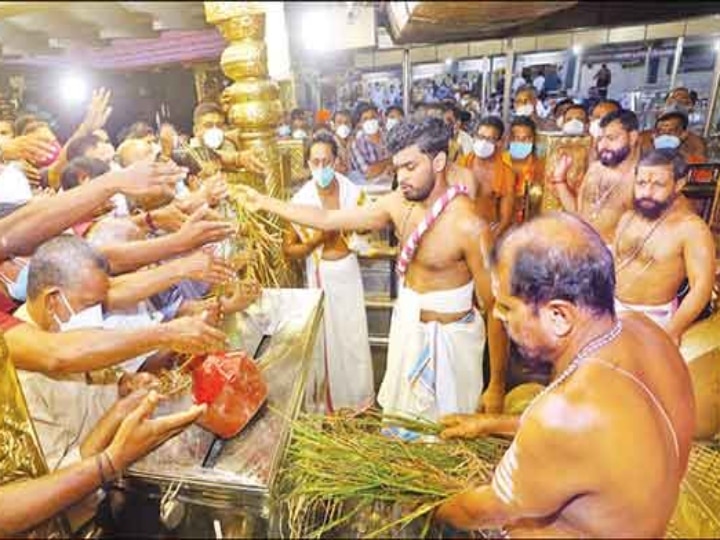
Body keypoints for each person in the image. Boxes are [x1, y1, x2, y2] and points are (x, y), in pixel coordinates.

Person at [435, 212, 694, 538]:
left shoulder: (564, 413)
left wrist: (430, 507)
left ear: (558, 316)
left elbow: (483, 509)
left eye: (508, 307)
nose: (498, 316)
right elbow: (602, 442)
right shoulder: (651, 336)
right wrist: (492, 424)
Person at [238, 118, 508, 418]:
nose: (401, 177)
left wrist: (496, 385)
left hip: (450, 349)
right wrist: (265, 202)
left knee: (448, 437)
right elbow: (328, 220)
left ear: (439, 161)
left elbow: (496, 307)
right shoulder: (397, 203)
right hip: (408, 333)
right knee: (406, 434)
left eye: (410, 167)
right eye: (397, 169)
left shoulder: (467, 225)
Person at [283, 132, 374, 412]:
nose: (321, 168)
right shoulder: (302, 199)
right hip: (321, 275)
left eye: (327, 161)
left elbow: (370, 223)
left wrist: (359, 227)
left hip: (348, 272)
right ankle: (331, 407)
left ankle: (358, 402)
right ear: (308, 164)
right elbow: (289, 250)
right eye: (315, 162)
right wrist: (315, 242)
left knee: (354, 338)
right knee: (328, 343)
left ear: (337, 161)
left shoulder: (351, 192)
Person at [613, 150, 716, 344]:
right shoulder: (628, 218)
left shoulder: (691, 228)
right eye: (641, 183)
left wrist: (673, 329)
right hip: (611, 309)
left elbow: (701, 288)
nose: (647, 192)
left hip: (653, 320)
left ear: (679, 184)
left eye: (658, 184)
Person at [552, 109, 639, 244]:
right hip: (582, 251)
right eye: (600, 139)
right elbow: (578, 213)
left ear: (632, 137)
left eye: (611, 138)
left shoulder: (642, 179)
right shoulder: (595, 169)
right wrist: (560, 180)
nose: (603, 145)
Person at [457, 116, 516, 237]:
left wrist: (491, 238)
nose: (483, 142)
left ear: (500, 142)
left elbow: (505, 218)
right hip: (459, 228)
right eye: (480, 137)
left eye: (490, 139)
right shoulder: (461, 164)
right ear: (474, 137)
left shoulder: (506, 172)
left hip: (489, 231)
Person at [505, 117, 544, 223]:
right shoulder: (500, 163)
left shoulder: (540, 166)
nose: (521, 142)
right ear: (509, 139)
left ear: (533, 140)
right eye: (517, 138)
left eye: (526, 138)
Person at [349, 103, 393, 184]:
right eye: (365, 119)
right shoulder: (356, 144)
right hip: (372, 189)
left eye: (373, 117)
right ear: (359, 124)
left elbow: (401, 162)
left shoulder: (391, 136)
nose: (370, 121)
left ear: (378, 118)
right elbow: (368, 172)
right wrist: (391, 160)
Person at [639, 111, 707, 164]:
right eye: (661, 131)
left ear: (684, 134)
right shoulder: (645, 158)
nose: (665, 135)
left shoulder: (694, 157)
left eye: (671, 131)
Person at [331, 109, 354, 176]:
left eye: (346, 123)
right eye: (339, 122)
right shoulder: (330, 144)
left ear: (351, 125)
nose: (343, 126)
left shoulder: (355, 142)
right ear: (334, 126)